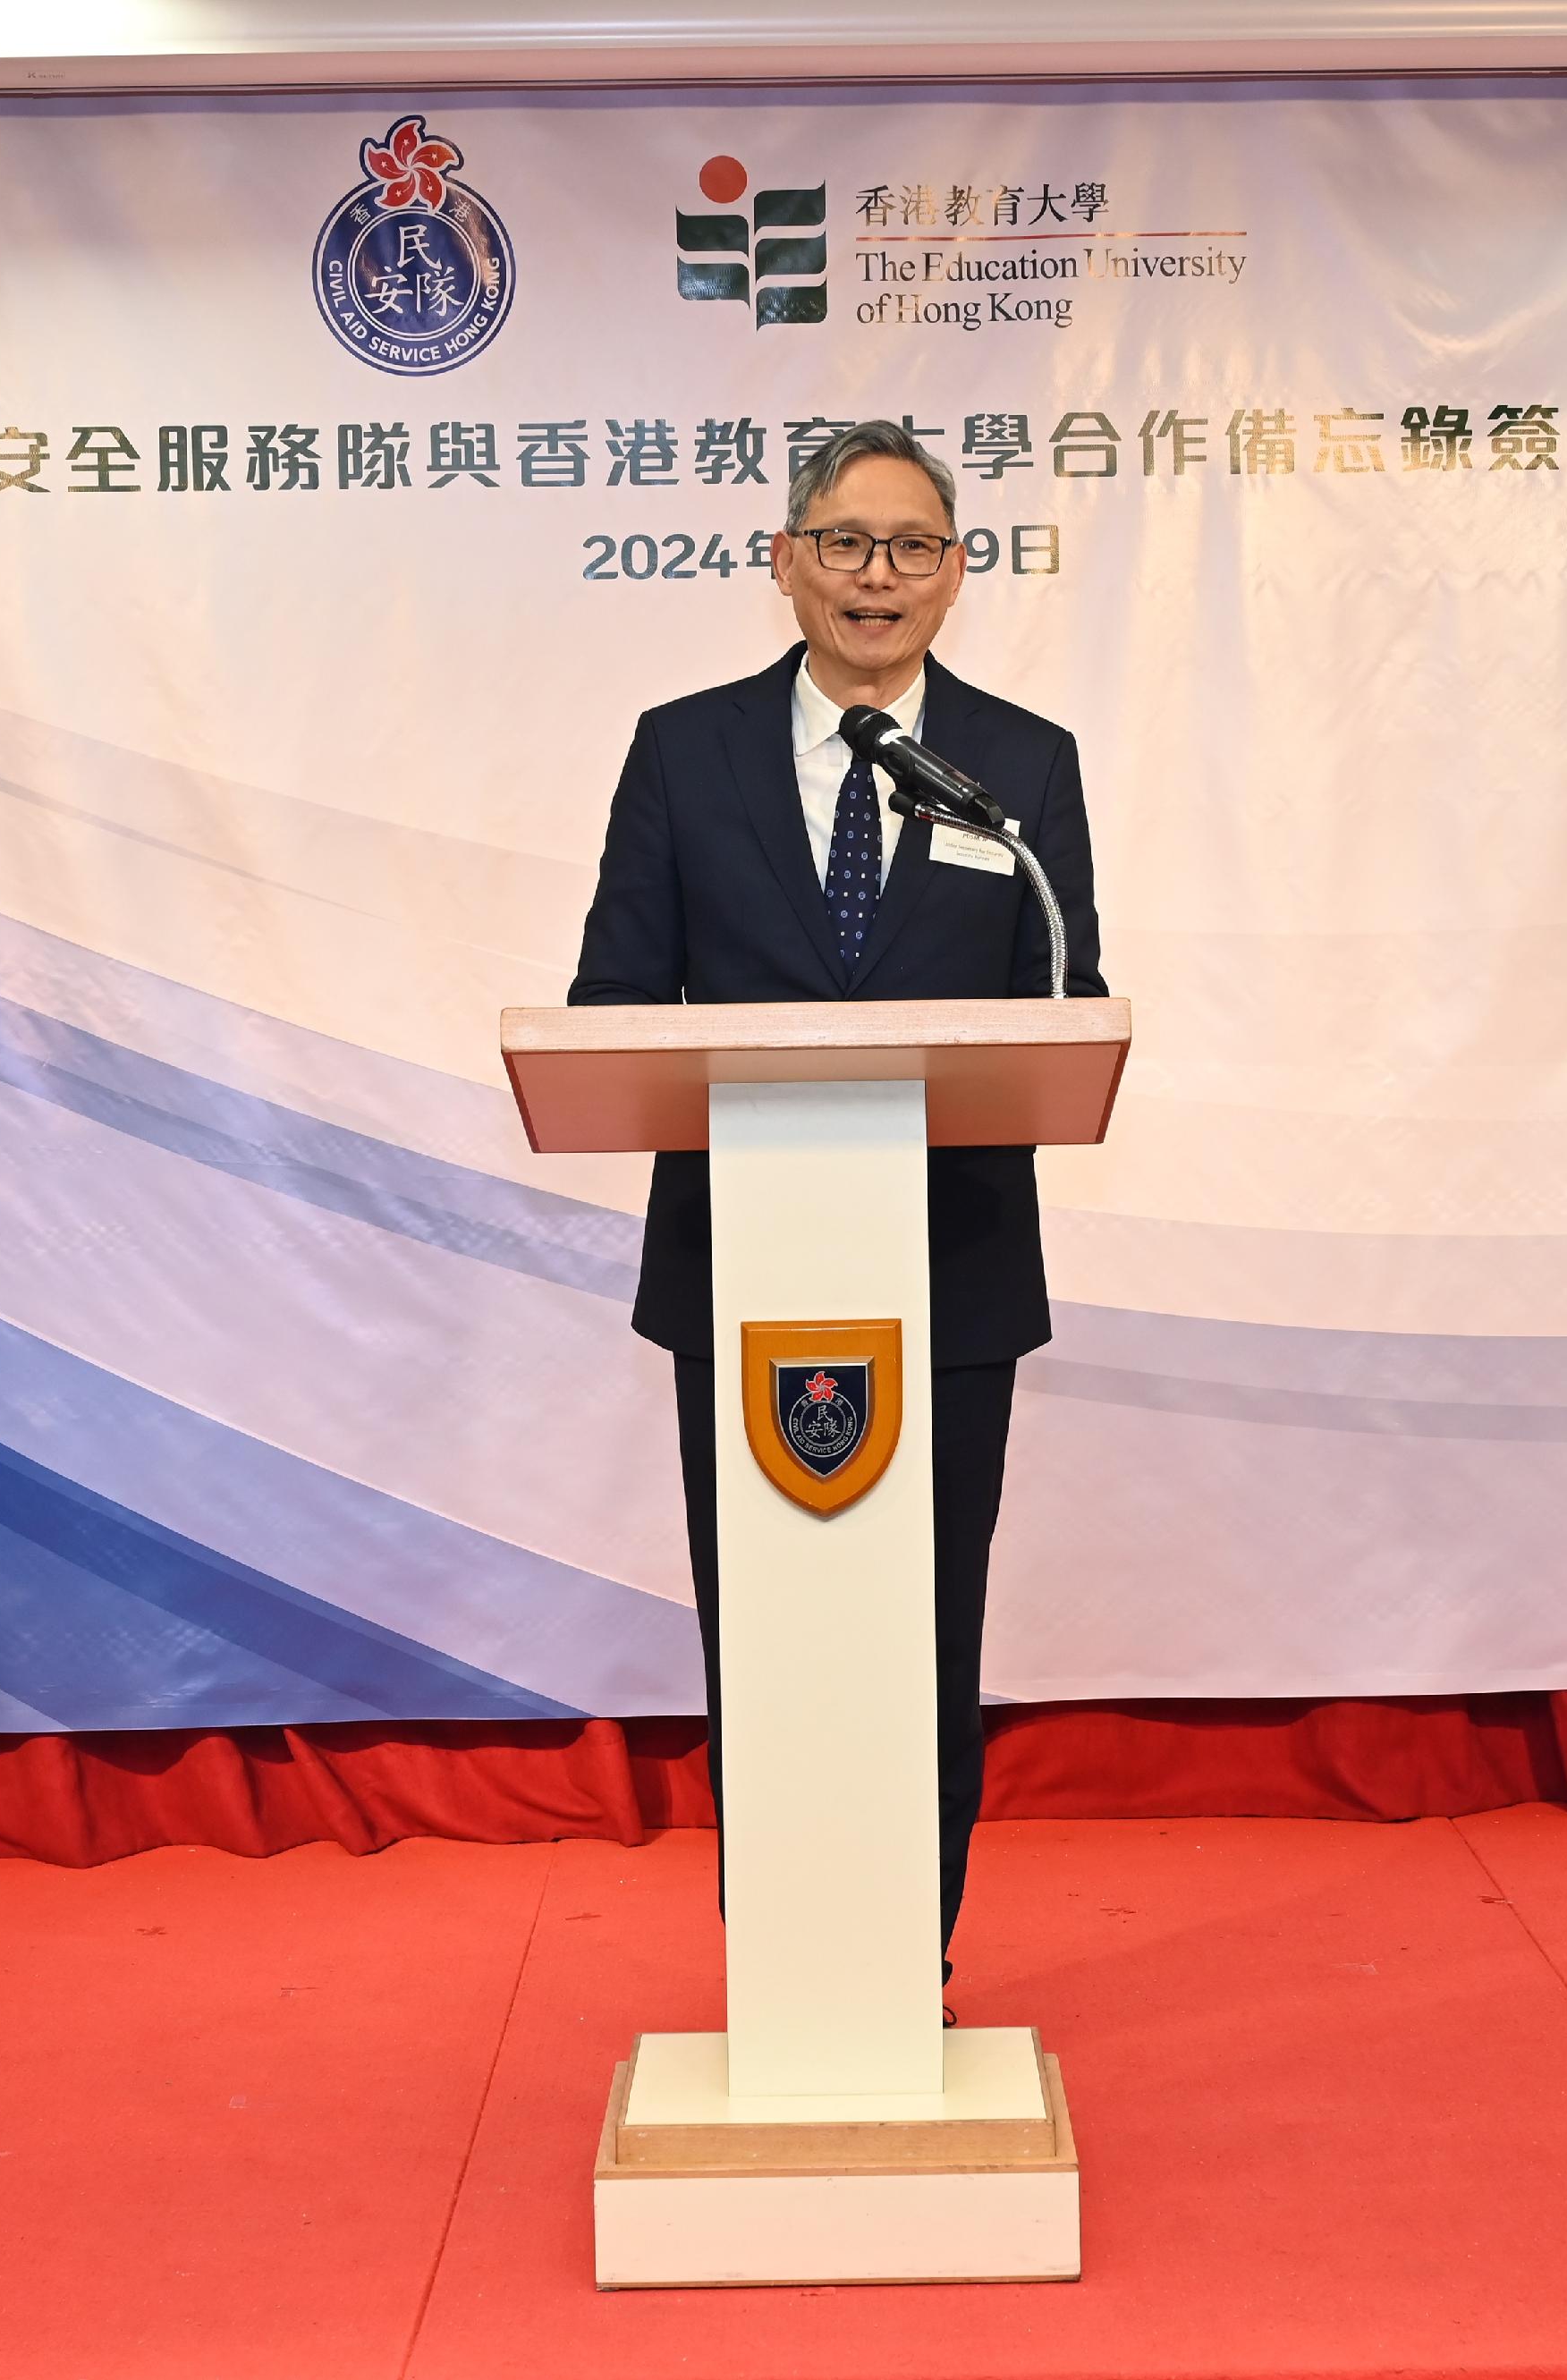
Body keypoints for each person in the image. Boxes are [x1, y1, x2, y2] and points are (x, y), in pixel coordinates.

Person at [564, 419, 1107, 2008]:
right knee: (773, 1626)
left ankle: (906, 1951)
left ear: (956, 574)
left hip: (952, 1280)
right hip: (748, 1277)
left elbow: (1058, 1005)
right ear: (786, 560)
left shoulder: (1024, 765)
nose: (880, 577)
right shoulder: (684, 750)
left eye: (914, 547)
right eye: (849, 544)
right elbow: (613, 1001)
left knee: (926, 1633)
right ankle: (789, 1957)